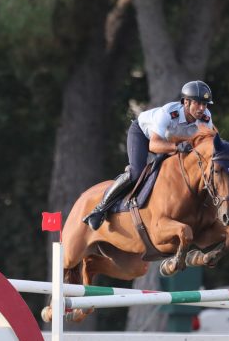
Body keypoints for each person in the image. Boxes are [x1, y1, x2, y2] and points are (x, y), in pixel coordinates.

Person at [82, 80, 217, 230]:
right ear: (186, 102)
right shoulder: (168, 114)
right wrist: (177, 147)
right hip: (144, 136)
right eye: (198, 103)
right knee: (136, 172)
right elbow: (153, 145)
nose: (202, 108)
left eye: (205, 104)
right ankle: (100, 209)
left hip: (173, 143)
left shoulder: (206, 117)